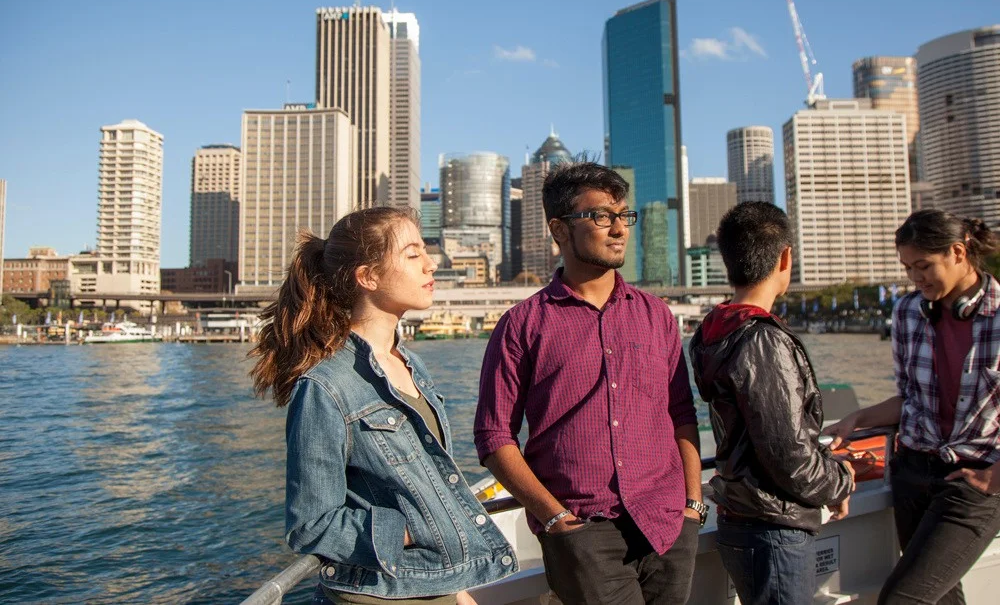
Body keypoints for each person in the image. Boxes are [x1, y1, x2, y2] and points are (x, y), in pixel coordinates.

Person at [250, 207, 518, 605]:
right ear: (368, 276)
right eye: (413, 255)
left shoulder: (410, 364)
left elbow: (431, 479)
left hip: (431, 584)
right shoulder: (326, 385)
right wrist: (411, 529)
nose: (431, 265)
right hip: (378, 595)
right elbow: (310, 525)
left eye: (425, 252)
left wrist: (457, 590)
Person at [474, 163, 703, 605]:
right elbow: (493, 436)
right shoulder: (521, 325)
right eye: (601, 216)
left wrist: (692, 506)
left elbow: (681, 414)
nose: (619, 229)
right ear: (560, 230)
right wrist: (554, 517)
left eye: (623, 215)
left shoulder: (656, 315)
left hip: (668, 524)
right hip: (583, 533)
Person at [825, 209, 1000, 605]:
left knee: (903, 598)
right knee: (940, 596)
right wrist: (858, 418)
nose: (916, 278)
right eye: (908, 268)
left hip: (975, 479)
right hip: (913, 472)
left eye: (924, 266)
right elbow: (910, 399)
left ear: (958, 252)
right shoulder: (906, 312)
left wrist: (996, 478)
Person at [688, 202, 855, 605]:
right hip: (774, 526)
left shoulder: (712, 332)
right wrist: (841, 479)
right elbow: (789, 455)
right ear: (786, 258)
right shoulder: (762, 340)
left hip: (743, 518)